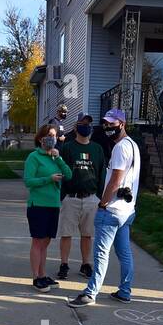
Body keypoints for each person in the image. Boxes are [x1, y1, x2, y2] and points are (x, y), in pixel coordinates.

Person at [68, 108, 139, 307]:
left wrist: (103, 203)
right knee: (124, 253)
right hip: (127, 210)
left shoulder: (120, 148)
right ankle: (125, 291)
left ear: (122, 124)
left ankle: (90, 293)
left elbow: (115, 181)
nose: (108, 127)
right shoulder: (133, 145)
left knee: (101, 254)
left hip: (113, 210)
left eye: (112, 124)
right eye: (106, 124)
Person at [24, 123, 73, 292]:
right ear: (40, 138)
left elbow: (69, 174)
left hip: (53, 204)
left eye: (54, 135)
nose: (52, 138)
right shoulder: (34, 157)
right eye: (49, 135)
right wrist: (49, 178)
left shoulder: (54, 157)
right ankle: (36, 277)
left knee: (45, 242)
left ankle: (43, 274)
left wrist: (58, 157)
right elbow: (28, 181)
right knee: (38, 241)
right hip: (38, 205)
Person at [56, 113, 105, 281]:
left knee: (87, 234)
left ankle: (86, 264)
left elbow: (101, 174)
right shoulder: (68, 148)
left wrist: (99, 197)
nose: (86, 126)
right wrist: (63, 196)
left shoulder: (97, 149)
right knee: (66, 233)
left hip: (91, 198)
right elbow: (61, 170)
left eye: (88, 124)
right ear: (76, 127)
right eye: (82, 123)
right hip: (71, 197)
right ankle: (64, 264)